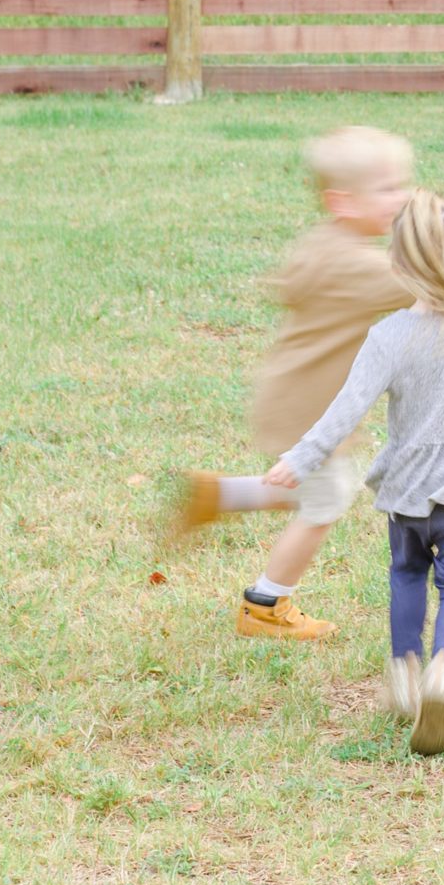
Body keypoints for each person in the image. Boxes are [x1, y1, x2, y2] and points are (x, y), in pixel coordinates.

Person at [264, 189, 444, 757]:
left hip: (410, 483)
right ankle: (443, 670)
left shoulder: (389, 335)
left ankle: (405, 670)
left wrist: (301, 459)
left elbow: (347, 408)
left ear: (401, 264)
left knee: (407, 572)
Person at [166, 124, 415, 639]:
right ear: (342, 202)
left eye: (404, 183)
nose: (404, 196)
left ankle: (220, 496)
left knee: (313, 491)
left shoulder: (325, 244)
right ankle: (265, 606)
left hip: (293, 398)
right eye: (389, 187)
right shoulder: (355, 266)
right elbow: (432, 282)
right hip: (309, 411)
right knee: (325, 502)